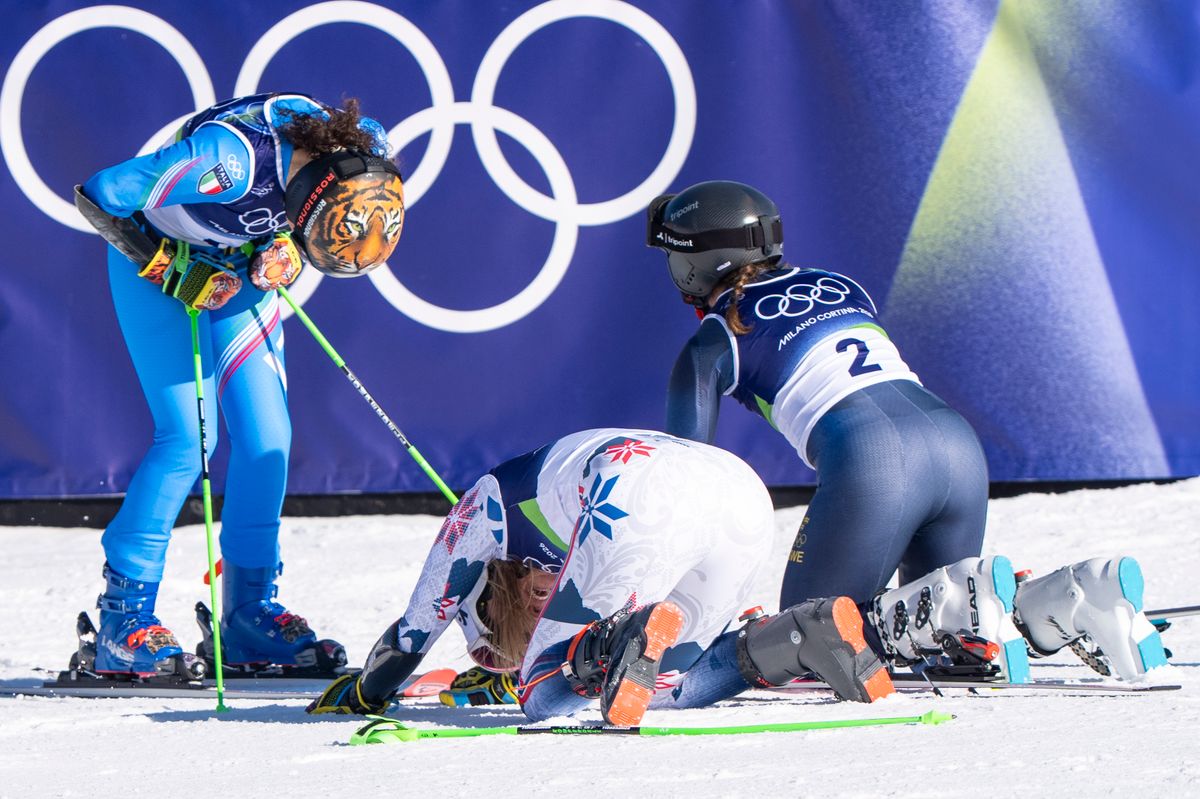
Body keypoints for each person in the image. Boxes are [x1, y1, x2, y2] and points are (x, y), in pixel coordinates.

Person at [644, 180, 1168, 683]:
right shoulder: (839, 284)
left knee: (808, 636)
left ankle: (991, 600)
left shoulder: (714, 339)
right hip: (957, 447)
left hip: (873, 461)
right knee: (951, 621)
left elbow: (690, 476)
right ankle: (1071, 596)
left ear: (693, 264)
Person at [76, 92, 406, 677]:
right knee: (187, 441)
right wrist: (171, 268)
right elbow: (103, 192)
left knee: (267, 441)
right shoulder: (227, 163)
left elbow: (311, 229)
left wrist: (280, 250)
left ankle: (249, 615)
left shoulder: (364, 150)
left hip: (235, 272)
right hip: (155, 272)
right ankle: (122, 621)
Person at [307, 428, 895, 725]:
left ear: (486, 594)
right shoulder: (540, 538)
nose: (535, 613)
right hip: (738, 488)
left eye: (496, 624)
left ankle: (613, 641)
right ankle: (798, 636)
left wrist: (366, 693)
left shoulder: (480, 512)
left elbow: (415, 629)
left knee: (544, 699)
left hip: (638, 489)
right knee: (669, 685)